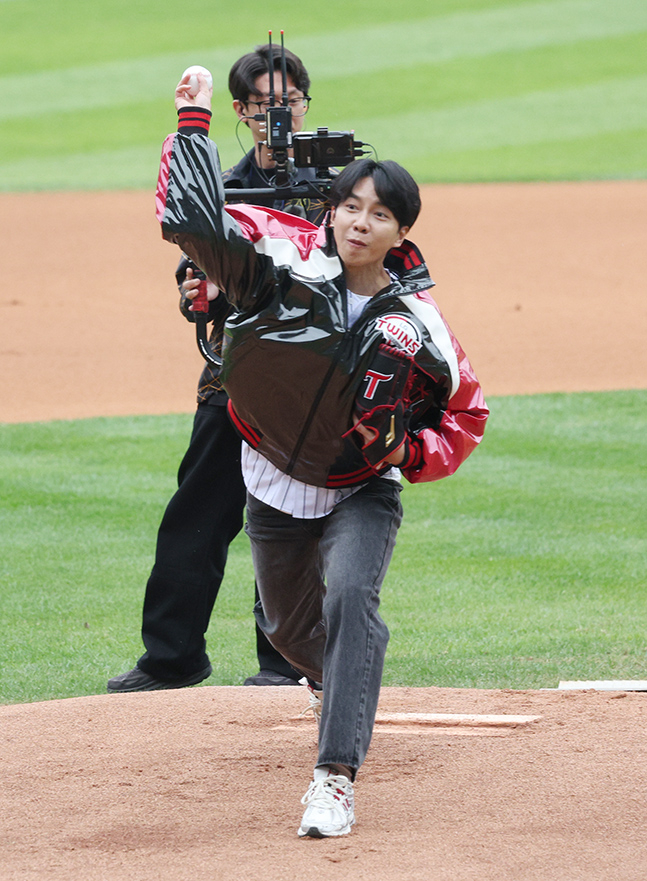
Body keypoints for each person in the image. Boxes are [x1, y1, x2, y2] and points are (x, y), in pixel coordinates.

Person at [155, 70, 489, 837]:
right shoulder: (282, 274)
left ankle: (333, 777)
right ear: (331, 213)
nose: (359, 222)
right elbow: (194, 228)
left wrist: (411, 448)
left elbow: (466, 413)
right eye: (349, 206)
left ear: (401, 232)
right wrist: (193, 122)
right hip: (272, 480)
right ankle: (333, 674)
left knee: (350, 604)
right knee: (288, 631)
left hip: (360, 488)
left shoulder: (419, 324)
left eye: (379, 214)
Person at [108, 44, 328, 694]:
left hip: (305, 389)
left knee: (288, 519)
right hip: (231, 380)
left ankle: (281, 662)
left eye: (289, 102)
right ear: (240, 110)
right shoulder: (221, 188)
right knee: (195, 516)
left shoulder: (334, 190)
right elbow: (192, 273)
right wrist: (193, 293)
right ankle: (171, 657)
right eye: (265, 106)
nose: (279, 116)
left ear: (306, 104)